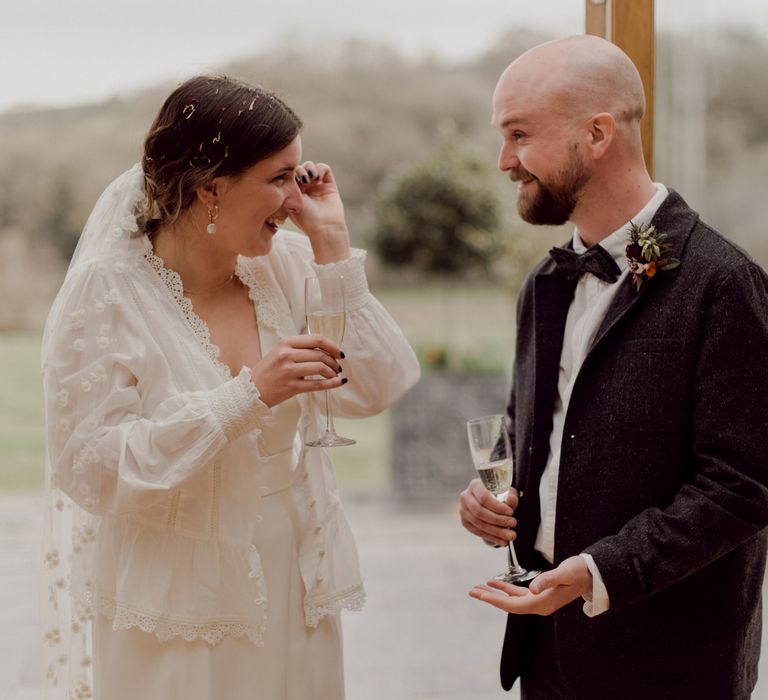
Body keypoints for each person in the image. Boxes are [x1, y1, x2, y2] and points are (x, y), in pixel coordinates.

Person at [40, 74, 420, 699]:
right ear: (210, 188)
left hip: (293, 582)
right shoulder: (108, 291)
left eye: (299, 176)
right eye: (278, 178)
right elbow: (88, 466)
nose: (295, 199)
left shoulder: (290, 266)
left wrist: (331, 241)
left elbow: (380, 384)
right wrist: (245, 398)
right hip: (178, 597)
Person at [459, 35, 768, 699]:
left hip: (671, 665)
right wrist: (496, 501)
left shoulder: (725, 283)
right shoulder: (544, 283)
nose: (504, 161)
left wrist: (600, 570)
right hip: (547, 655)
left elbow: (743, 484)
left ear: (597, 134)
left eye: (518, 134)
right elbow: (530, 430)